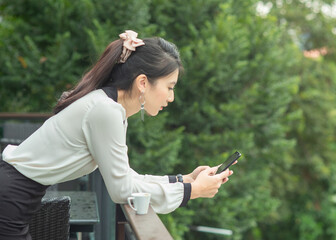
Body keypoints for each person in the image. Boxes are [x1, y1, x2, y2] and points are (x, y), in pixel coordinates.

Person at [0, 30, 233, 240]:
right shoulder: (106, 110)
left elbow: (126, 177)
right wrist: (192, 191)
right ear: (143, 82)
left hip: (15, 200)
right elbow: (122, 189)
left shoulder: (110, 107)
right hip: (10, 203)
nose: (171, 97)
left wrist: (184, 180)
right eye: (170, 87)